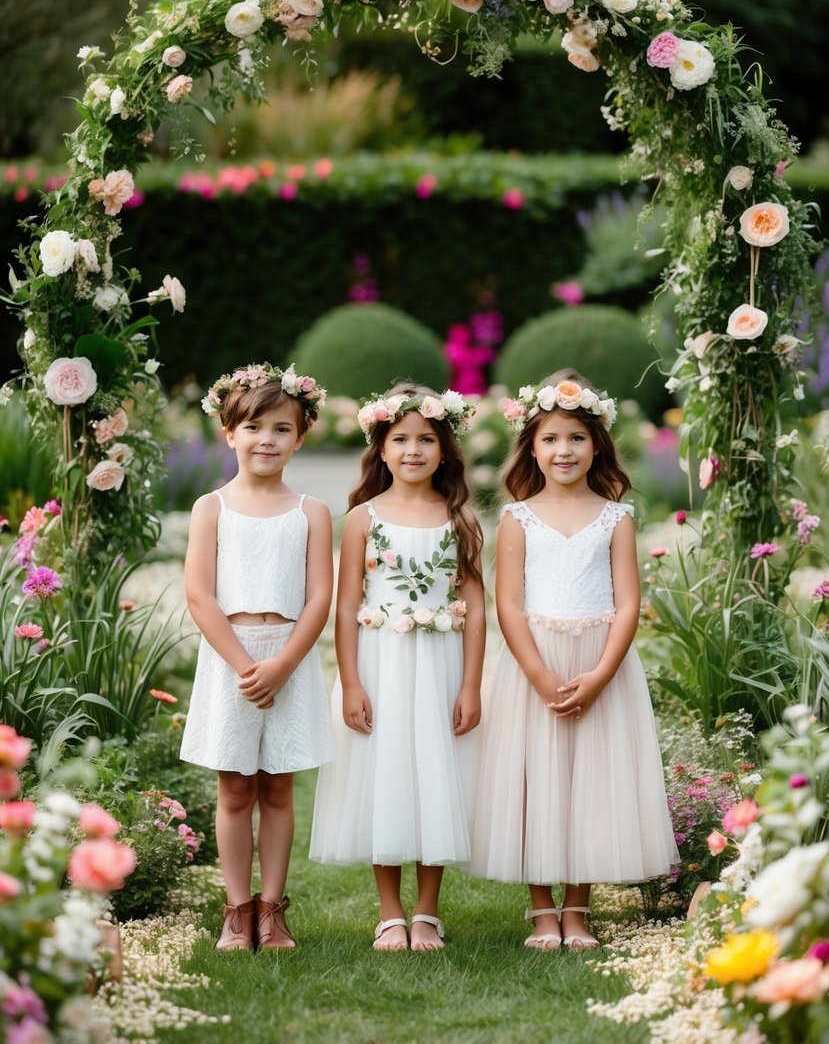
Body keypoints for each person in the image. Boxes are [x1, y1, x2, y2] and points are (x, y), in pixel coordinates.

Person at [471, 369, 679, 950]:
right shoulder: (517, 518)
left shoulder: (616, 518)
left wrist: (602, 673)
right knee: (535, 779)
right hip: (534, 663)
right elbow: (507, 604)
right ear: (531, 448)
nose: (563, 450)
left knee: (588, 780)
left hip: (597, 660)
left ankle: (578, 908)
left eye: (576, 438)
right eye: (550, 439)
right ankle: (542, 910)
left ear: (598, 445)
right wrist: (538, 674)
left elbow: (628, 601)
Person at [309, 383, 486, 952]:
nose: (413, 450)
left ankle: (428, 911)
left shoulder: (459, 516)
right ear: (380, 448)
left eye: (426, 439)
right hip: (380, 661)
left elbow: (476, 604)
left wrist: (472, 683)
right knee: (383, 776)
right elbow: (344, 605)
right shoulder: (362, 518)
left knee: (436, 778)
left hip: (441, 663)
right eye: (401, 439)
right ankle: (389, 911)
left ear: (444, 449)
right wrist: (351, 681)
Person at [180, 362, 335, 951]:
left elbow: (319, 595)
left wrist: (282, 664)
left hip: (288, 657)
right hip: (231, 660)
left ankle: (272, 910)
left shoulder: (310, 512)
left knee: (277, 787)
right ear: (230, 434)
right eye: (253, 427)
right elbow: (200, 594)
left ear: (300, 437)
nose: (265, 440)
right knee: (235, 788)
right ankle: (236, 910)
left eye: (280, 429)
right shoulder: (210, 507)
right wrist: (247, 665)